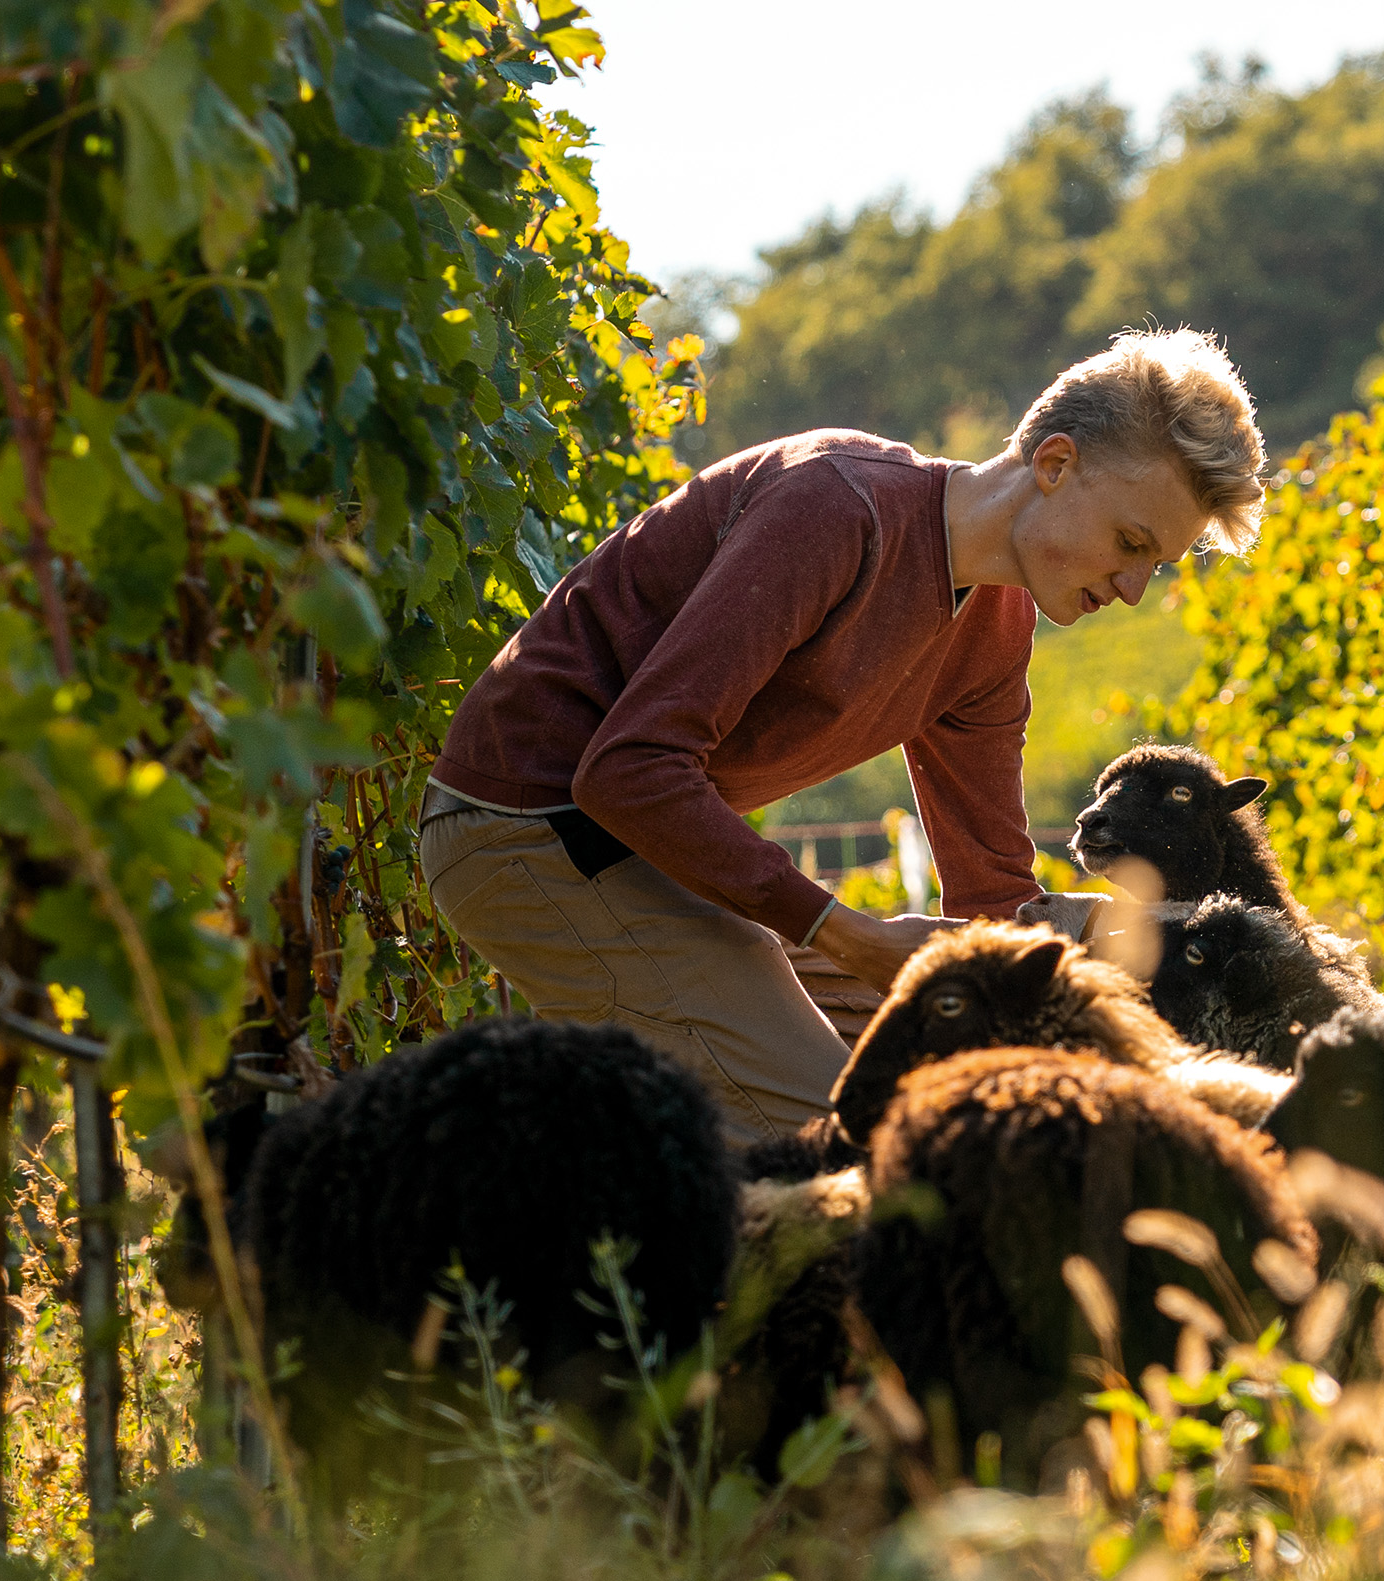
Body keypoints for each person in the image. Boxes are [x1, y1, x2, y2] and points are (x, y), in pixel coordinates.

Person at [419, 329, 1268, 1138]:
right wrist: (848, 935)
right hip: (529, 824)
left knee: (930, 1076)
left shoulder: (998, 631)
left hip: (654, 847)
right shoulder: (835, 507)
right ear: (1054, 464)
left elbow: (991, 900)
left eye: (1152, 566)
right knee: (846, 1134)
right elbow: (627, 769)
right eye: (1129, 542)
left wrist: (1128, 951)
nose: (1130, 588)